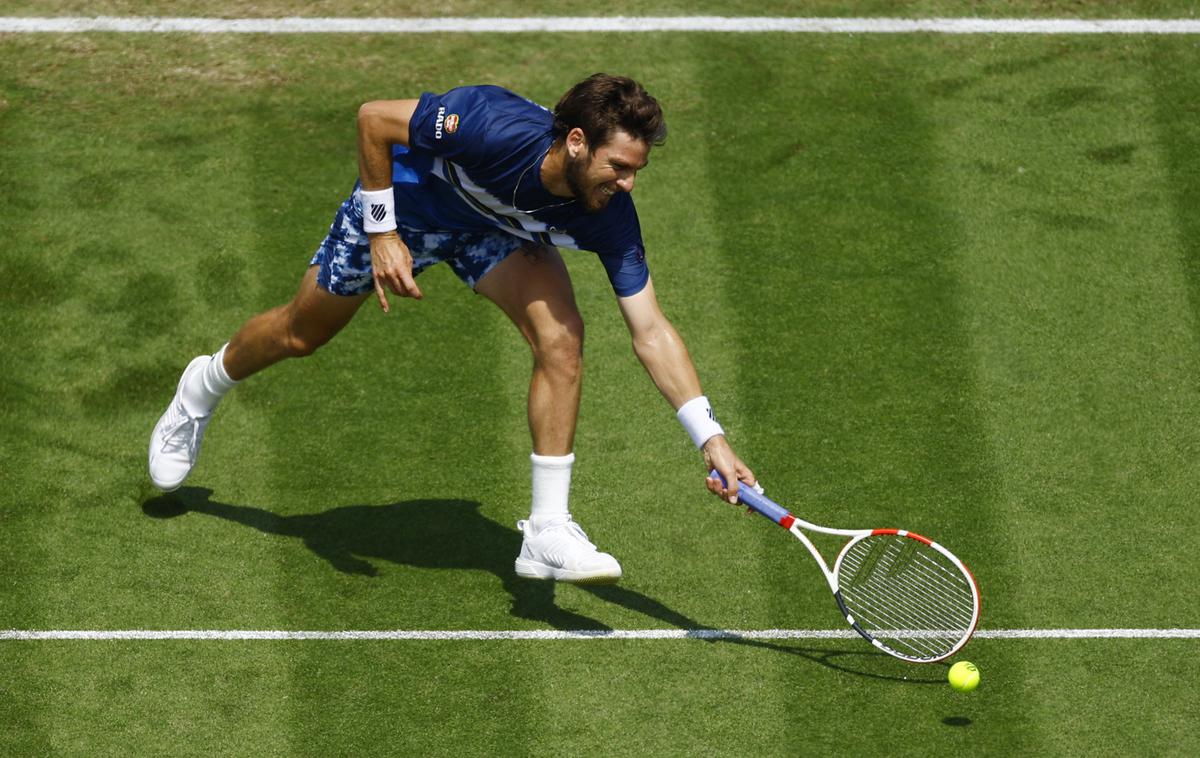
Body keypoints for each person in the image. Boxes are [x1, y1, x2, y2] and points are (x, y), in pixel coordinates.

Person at [149, 73, 756, 584]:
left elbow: (650, 331)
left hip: (494, 232)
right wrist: (383, 231)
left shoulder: (611, 218)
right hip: (406, 204)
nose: (627, 184)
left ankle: (546, 530)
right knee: (302, 335)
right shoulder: (486, 121)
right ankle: (201, 387)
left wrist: (712, 439)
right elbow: (373, 119)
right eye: (619, 167)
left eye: (635, 170)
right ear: (576, 142)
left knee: (562, 339)